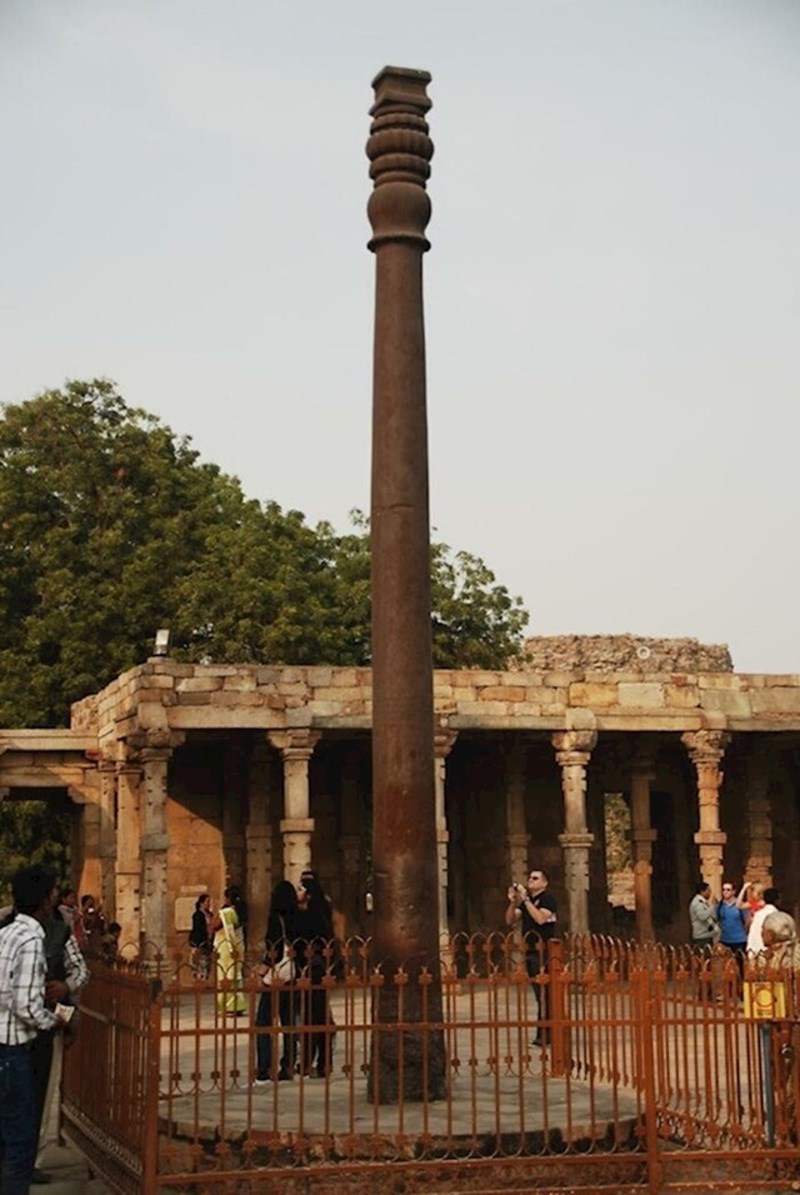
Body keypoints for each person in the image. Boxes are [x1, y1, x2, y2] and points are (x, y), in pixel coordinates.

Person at [0, 865, 70, 1195]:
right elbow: (25, 1006)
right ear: (45, 899)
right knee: (20, 1145)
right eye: (53, 891)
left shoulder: (5, 933)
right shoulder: (30, 939)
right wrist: (52, 1020)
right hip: (13, 1052)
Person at [254, 881, 300, 1084]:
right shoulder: (297, 918)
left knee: (263, 1023)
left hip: (276, 978)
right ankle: (288, 1066)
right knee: (288, 1023)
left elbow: (275, 951)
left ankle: (264, 1069)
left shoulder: (276, 919)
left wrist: (262, 969)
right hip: (292, 976)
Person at [505, 867, 558, 1046]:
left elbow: (541, 918)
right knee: (539, 992)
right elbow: (510, 920)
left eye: (535, 878)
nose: (530, 880)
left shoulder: (548, 899)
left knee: (545, 992)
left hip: (544, 951)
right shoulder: (526, 902)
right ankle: (543, 1033)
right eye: (530, 878)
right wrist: (513, 902)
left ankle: (547, 1033)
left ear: (545, 883)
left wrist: (526, 899)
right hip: (530, 951)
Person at [297, 871, 337, 1076]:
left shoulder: (310, 914)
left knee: (312, 1018)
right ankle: (323, 1062)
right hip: (320, 967)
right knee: (320, 1017)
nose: (298, 892)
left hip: (313, 968)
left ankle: (308, 1062)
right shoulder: (322, 909)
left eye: (301, 888)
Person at [212, 888, 246, 1015]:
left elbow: (214, 925)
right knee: (236, 975)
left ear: (228, 898)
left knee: (225, 976)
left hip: (226, 947)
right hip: (238, 945)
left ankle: (228, 1006)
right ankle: (238, 1004)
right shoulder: (241, 911)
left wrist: (219, 912)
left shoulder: (227, 912)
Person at [717, 880, 748, 979]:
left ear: (734, 892)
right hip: (725, 939)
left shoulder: (740, 905)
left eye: (728, 890)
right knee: (726, 966)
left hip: (739, 939)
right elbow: (718, 920)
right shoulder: (720, 905)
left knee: (741, 965)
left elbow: (747, 921)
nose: (725, 892)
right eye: (723, 890)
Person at [747, 887, 780, 957]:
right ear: (777, 900)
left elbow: (752, 933)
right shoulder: (777, 915)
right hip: (768, 953)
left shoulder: (757, 914)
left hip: (753, 951)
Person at [189, 895, 213, 979]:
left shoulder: (210, 914)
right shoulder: (197, 915)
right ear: (201, 903)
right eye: (207, 901)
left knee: (206, 963)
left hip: (207, 942)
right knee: (198, 963)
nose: (209, 904)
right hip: (198, 942)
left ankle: (205, 977)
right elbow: (198, 929)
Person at [688, 881, 718, 947]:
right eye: (708, 891)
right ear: (702, 891)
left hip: (707, 934)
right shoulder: (697, 902)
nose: (710, 893)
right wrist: (713, 906)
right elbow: (703, 916)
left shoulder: (703, 902)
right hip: (701, 936)